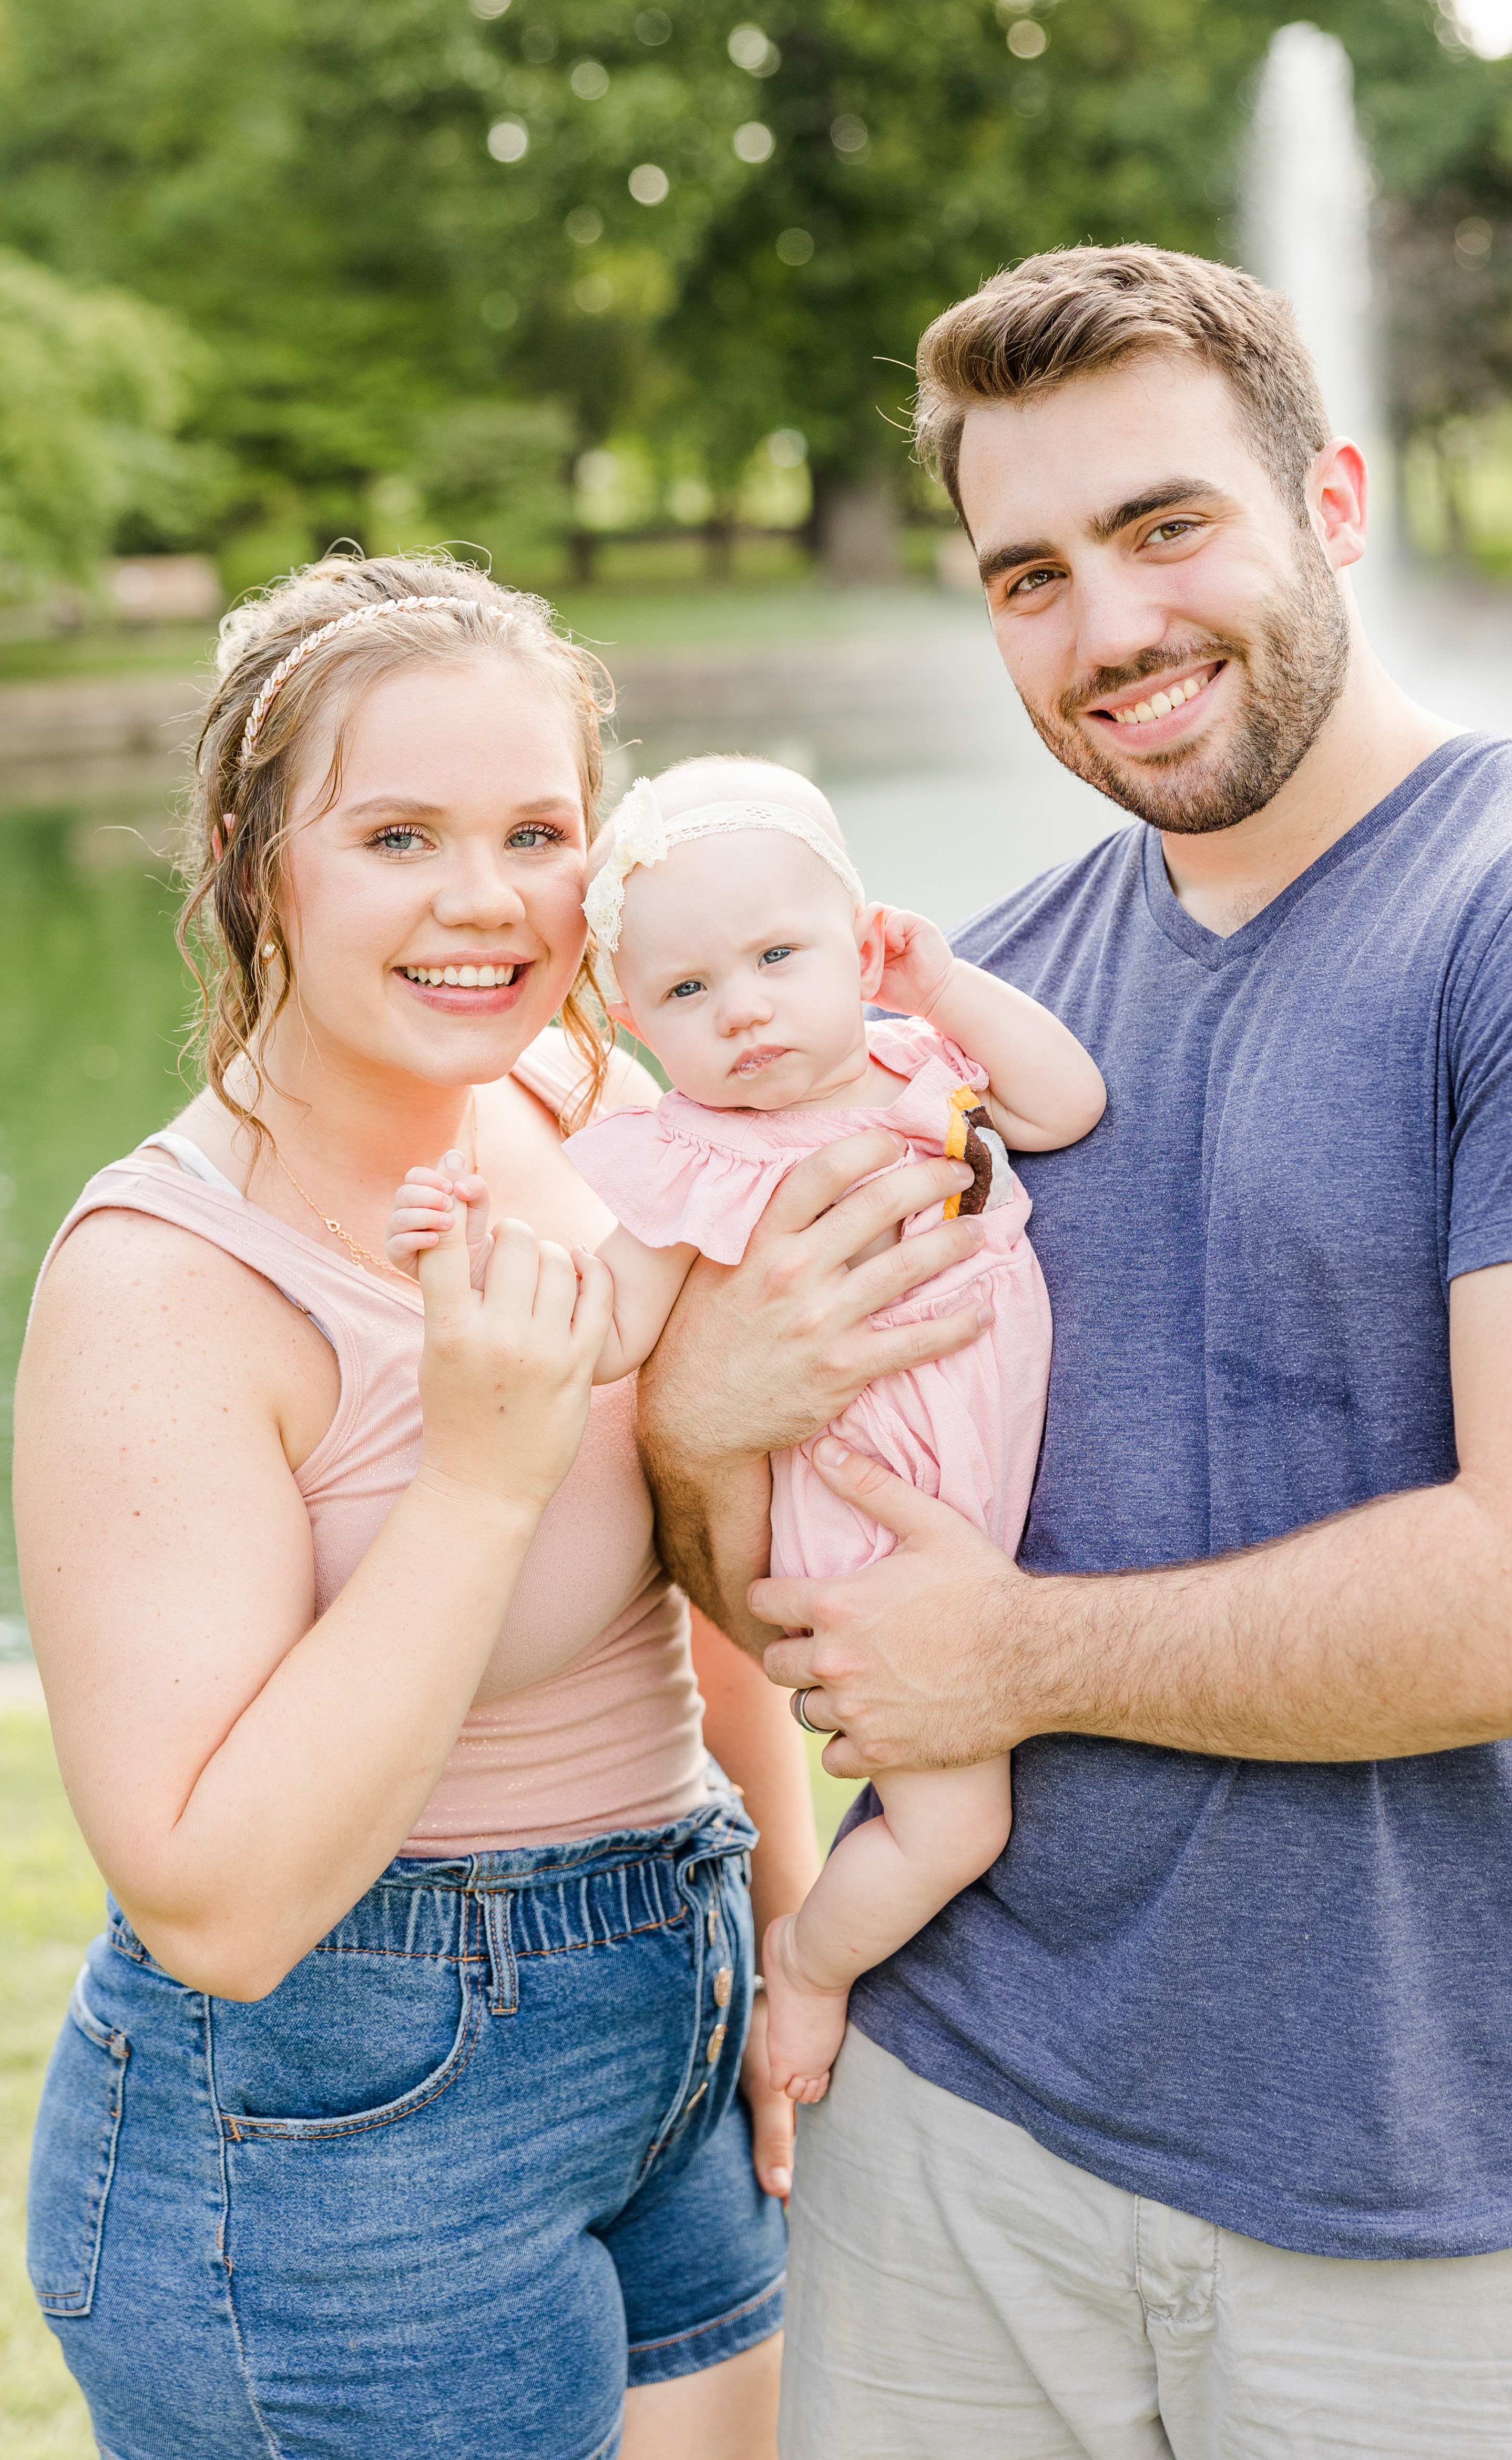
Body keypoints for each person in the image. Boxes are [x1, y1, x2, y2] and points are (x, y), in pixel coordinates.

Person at [634, 246, 1512, 2459]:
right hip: (952, 2144)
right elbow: (814, 1591)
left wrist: (1013, 1663)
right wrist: (688, 1426)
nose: (1105, 627)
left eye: (1161, 527)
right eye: (1025, 575)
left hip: (1435, 2199)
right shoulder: (961, 1022)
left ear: (1330, 500)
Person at [12, 553, 968, 2460]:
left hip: (674, 2011)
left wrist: (779, 1948)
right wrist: (479, 1464)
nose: (483, 900)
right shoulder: (164, 1284)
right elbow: (211, 1897)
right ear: (248, 848)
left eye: (536, 828)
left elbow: (683, 1604)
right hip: (344, 2143)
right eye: (395, 833)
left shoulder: (570, 1101)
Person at [387, 754, 1104, 2102]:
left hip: (984, 1490)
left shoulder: (918, 1063)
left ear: (860, 941)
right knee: (957, 1823)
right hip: (868, 1534)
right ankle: (815, 1966)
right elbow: (601, 1334)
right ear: (638, 1023)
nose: (748, 1011)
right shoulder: (689, 1159)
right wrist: (471, 1250)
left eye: (780, 954)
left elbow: (1070, 1106)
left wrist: (945, 985)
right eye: (689, 992)